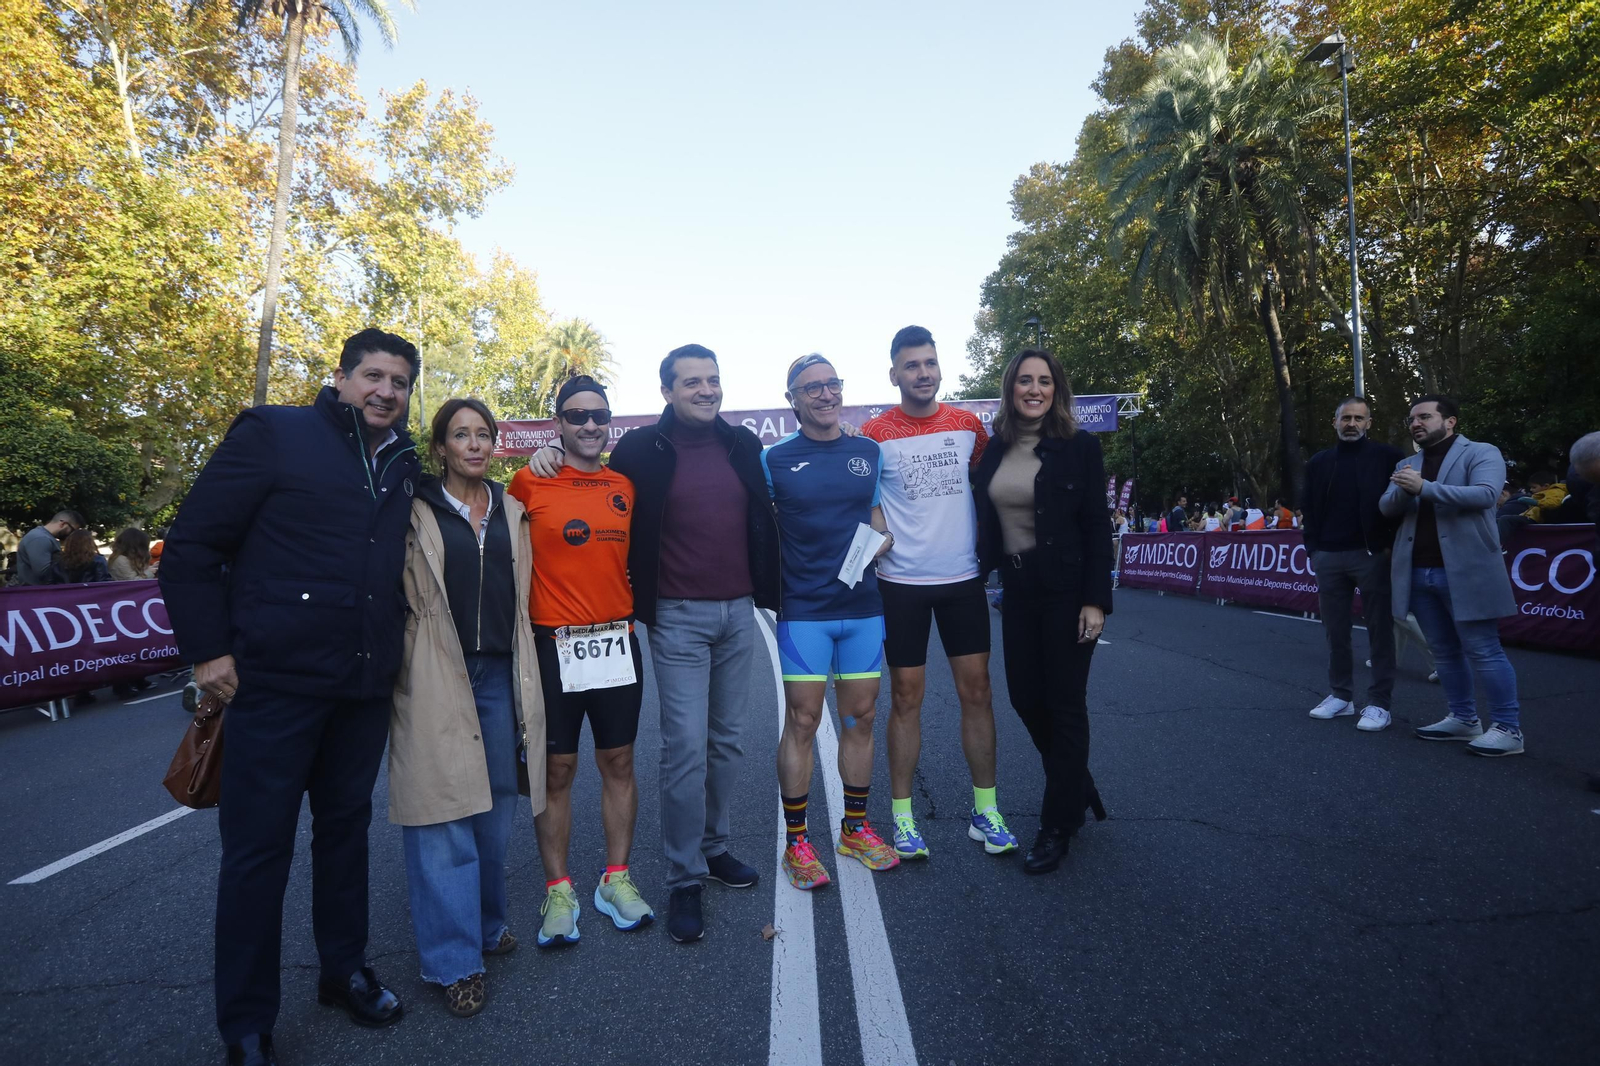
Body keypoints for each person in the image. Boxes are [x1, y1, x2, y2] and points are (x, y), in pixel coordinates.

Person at [160, 328, 422, 1066]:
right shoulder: (275, 432)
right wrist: (208, 651)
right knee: (256, 855)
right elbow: (191, 548)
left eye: (399, 383)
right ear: (339, 378)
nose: (385, 391)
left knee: (344, 836)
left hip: (361, 687)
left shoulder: (402, 462)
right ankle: (246, 1023)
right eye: (372, 375)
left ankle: (344, 972)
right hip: (272, 687)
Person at [523, 344, 777, 944]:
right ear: (666, 391)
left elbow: (769, 512)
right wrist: (548, 452)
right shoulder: (640, 449)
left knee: (729, 743)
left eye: (713, 380)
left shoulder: (744, 444)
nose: (706, 390)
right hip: (678, 618)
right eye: (692, 382)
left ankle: (714, 849)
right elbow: (583, 474)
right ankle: (684, 876)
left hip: (739, 613)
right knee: (684, 748)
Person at [389, 398, 546, 1018]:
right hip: (434, 669)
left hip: (501, 672)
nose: (475, 445)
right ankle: (455, 963)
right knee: (441, 813)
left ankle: (485, 926)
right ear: (441, 447)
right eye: (462, 435)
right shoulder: (413, 509)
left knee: (494, 808)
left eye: (484, 434)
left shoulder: (511, 509)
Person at [508, 377, 656, 949]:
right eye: (577, 416)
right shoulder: (529, 480)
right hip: (554, 644)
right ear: (558, 424)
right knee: (557, 770)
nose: (590, 425)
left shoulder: (624, 484)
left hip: (616, 640)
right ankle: (559, 888)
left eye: (599, 415)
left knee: (619, 760)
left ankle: (615, 878)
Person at [860, 326, 1017, 862]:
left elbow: (997, 486)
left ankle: (986, 810)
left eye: (929, 363)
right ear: (894, 374)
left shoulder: (969, 425)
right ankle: (903, 819)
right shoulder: (874, 433)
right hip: (901, 584)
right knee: (906, 698)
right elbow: (865, 499)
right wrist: (880, 533)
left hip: (962, 581)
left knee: (978, 694)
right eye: (912, 365)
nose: (923, 373)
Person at [973, 349, 1113, 875]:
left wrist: (1096, 600)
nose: (1035, 389)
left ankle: (1059, 825)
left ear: (1058, 389)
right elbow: (982, 519)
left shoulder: (1079, 448)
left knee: (1065, 704)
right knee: (1025, 698)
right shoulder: (994, 449)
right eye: (1025, 381)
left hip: (1067, 590)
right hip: (1016, 589)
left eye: (1045, 381)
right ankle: (1073, 780)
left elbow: (1098, 526)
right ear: (1010, 388)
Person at [764, 353, 897, 891]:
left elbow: (876, 515)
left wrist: (882, 537)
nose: (825, 394)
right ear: (792, 400)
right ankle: (797, 841)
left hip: (863, 608)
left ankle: (854, 829)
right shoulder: (772, 459)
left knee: (860, 718)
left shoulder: (868, 451)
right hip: (804, 611)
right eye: (811, 388)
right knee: (801, 722)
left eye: (832, 384)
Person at [1381, 395, 1523, 756]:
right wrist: (1402, 490)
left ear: (1451, 421)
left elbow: (1486, 495)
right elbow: (1386, 507)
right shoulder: (1407, 462)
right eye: (1412, 418)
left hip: (1466, 568)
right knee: (1444, 652)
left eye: (1425, 416)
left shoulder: (1481, 452)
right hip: (1417, 569)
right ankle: (1463, 719)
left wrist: (1424, 488)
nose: (1416, 423)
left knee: (1484, 649)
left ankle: (1509, 729)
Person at [1301, 397, 1405, 733]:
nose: (1352, 424)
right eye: (1346, 417)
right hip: (1328, 556)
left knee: (1380, 630)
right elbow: (1309, 509)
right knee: (1335, 630)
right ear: (1334, 422)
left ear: (1369, 423)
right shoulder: (1319, 462)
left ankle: (1379, 703)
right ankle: (1341, 696)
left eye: (1359, 418)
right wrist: (1313, 550)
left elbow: (1401, 503)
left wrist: (1388, 547)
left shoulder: (1388, 457)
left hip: (1372, 555)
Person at [15, 510, 82, 585]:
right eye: (72, 530)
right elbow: (44, 574)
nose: (72, 534)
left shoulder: (46, 537)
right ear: (63, 524)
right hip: (38, 593)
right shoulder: (40, 538)